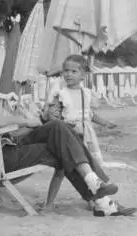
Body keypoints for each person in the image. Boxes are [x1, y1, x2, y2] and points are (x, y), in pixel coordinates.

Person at [0, 56, 136, 217]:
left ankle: (96, 186)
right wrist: (25, 121)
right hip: (0, 158)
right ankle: (101, 197)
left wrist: (38, 120)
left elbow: (5, 131)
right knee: (62, 147)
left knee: (60, 127)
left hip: (9, 144)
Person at [42, 54, 117, 208]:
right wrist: (49, 112)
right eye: (66, 71)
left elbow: (90, 115)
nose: (68, 74)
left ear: (83, 75)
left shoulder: (86, 93)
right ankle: (49, 203)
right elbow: (53, 115)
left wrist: (106, 123)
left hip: (86, 136)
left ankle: (92, 200)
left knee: (89, 168)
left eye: (74, 71)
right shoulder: (61, 94)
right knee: (60, 172)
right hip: (68, 137)